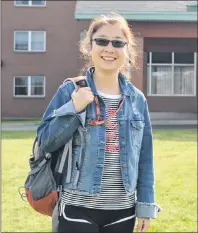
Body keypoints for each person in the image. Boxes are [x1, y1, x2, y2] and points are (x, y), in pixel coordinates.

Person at [37, 12, 161, 233]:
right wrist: (73, 110)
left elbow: (145, 157)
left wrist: (145, 205)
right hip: (76, 208)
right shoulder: (70, 91)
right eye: (102, 41)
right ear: (90, 46)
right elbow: (46, 141)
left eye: (118, 43)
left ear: (127, 50)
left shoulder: (137, 100)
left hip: (123, 211)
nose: (109, 48)